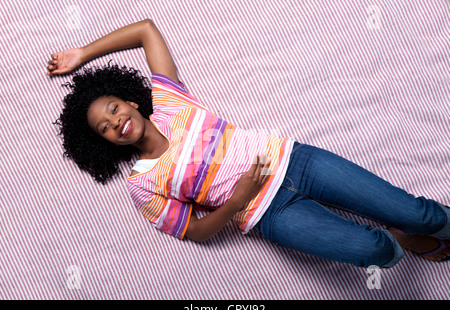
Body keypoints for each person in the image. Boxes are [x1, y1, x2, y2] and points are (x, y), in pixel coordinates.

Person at [48, 19, 450, 268]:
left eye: (114, 109)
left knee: (423, 213)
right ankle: (405, 240)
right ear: (106, 143)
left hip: (296, 163)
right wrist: (237, 201)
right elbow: (198, 232)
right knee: (377, 252)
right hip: (270, 215)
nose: (116, 122)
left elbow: (146, 29)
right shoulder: (141, 185)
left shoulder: (169, 103)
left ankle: (419, 227)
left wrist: (83, 52)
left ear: (131, 101)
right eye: (104, 127)